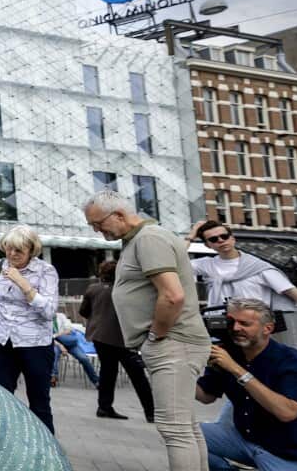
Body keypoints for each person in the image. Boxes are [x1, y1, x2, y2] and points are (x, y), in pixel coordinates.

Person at [84, 189, 211, 471]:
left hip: (173, 343)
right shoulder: (139, 241)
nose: (96, 230)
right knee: (185, 426)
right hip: (174, 342)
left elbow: (172, 296)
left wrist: (156, 335)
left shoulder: (149, 239)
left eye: (98, 223)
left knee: (175, 429)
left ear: (118, 215)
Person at [195, 298, 297, 470]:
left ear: (268, 329)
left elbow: (287, 412)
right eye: (232, 322)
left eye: (245, 324)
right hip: (244, 441)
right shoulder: (228, 354)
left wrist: (236, 369)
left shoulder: (295, 362)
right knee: (183, 434)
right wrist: (180, 367)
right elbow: (206, 396)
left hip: (289, 452)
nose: (236, 328)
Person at [186, 219, 297, 326]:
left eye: (224, 236)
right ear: (208, 245)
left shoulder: (259, 268)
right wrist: (191, 235)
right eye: (214, 239)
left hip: (255, 329)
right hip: (219, 325)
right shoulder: (206, 265)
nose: (221, 240)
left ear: (233, 238)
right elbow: (172, 261)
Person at [0, 224, 59, 434]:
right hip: (2, 340)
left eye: (18, 250)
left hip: (35, 344)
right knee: (0, 399)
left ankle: (47, 454)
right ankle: (4, 445)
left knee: (39, 402)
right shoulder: (0, 265)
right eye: (8, 248)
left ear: (31, 251)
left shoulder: (46, 271)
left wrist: (24, 285)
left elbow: (49, 312)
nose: (12, 254)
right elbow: (0, 301)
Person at [80, 260, 155, 422]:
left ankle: (104, 407)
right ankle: (151, 412)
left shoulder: (93, 289)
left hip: (99, 336)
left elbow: (84, 311)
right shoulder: (127, 291)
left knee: (107, 372)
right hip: (122, 339)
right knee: (137, 375)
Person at [50, 310, 99, 388]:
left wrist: (56, 335)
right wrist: (60, 346)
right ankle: (53, 377)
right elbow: (47, 338)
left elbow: (68, 330)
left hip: (69, 343)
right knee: (54, 353)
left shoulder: (61, 316)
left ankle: (96, 381)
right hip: (56, 344)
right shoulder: (44, 319)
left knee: (84, 358)